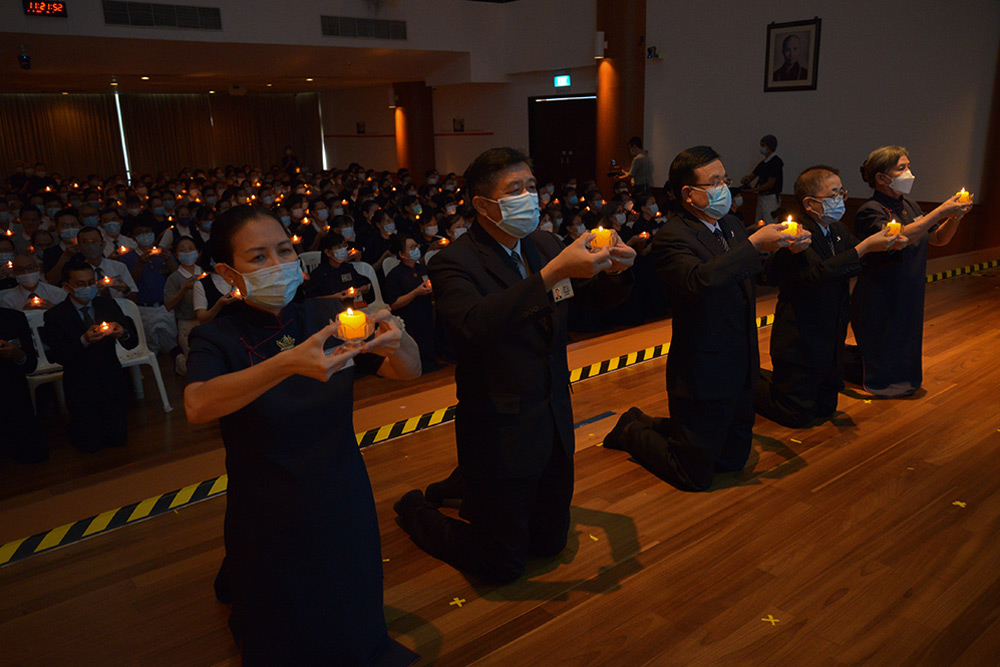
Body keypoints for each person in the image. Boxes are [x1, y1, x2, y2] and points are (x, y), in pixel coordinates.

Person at [184, 205, 420, 665]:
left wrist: (398, 340)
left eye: (284, 250)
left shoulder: (327, 316)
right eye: (258, 257)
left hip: (339, 477)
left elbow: (406, 372)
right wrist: (287, 363)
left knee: (348, 581)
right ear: (228, 273)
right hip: (268, 493)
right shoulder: (217, 337)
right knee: (284, 606)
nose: (277, 264)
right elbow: (197, 405)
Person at [393, 147, 635, 583]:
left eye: (531, 187)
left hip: (552, 414)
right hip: (499, 423)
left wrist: (615, 270)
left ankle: (467, 488)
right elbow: (474, 326)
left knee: (549, 543)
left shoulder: (543, 244)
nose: (529, 198)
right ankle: (416, 510)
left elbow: (589, 300)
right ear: (483, 204)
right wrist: (550, 275)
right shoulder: (453, 262)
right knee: (501, 566)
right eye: (515, 190)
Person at [604, 145, 804, 491]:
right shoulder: (673, 236)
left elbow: (759, 273)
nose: (724, 188)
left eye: (725, 179)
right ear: (688, 194)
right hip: (703, 365)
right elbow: (699, 281)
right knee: (693, 475)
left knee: (731, 460)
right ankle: (631, 430)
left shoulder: (731, 225)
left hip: (741, 359)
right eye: (714, 182)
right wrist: (754, 245)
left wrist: (790, 251)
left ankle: (665, 427)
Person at [755, 166, 906, 428]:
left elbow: (859, 261)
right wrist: (865, 246)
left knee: (825, 409)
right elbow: (818, 273)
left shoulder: (837, 229)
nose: (840, 200)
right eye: (833, 194)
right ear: (810, 203)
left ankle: (773, 382)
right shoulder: (798, 234)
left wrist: (889, 247)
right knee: (797, 417)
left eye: (841, 193)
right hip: (799, 341)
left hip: (830, 339)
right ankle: (747, 382)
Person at [844, 146, 972, 397]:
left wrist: (955, 216)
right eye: (901, 168)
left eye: (908, 167)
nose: (909, 173)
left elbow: (938, 238)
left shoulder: (910, 205)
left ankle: (903, 381)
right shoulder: (871, 210)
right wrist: (941, 211)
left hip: (909, 288)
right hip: (881, 292)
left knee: (906, 341)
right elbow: (898, 238)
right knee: (882, 345)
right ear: (881, 178)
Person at [42, 257, 138, 452]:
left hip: (111, 380)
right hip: (81, 386)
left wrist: (123, 333)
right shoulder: (55, 315)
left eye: (91, 282)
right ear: (67, 287)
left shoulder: (107, 305)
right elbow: (59, 355)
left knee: (118, 440)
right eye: (81, 284)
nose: (87, 288)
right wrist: (84, 340)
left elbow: (132, 342)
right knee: (89, 446)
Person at [0, 306, 47, 463]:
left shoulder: (13, 318)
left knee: (35, 455)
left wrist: (18, 355)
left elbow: (30, 364)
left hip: (10, 391)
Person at [383, 234, 436, 371]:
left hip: (426, 310)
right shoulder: (395, 275)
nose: (416, 249)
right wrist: (415, 293)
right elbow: (394, 304)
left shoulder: (422, 269)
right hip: (408, 314)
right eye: (411, 248)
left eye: (416, 246)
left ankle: (432, 361)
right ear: (401, 254)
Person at [163, 238, 203, 376]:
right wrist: (184, 289)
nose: (187, 252)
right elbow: (168, 305)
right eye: (182, 250)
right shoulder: (174, 278)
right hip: (187, 321)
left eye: (191, 249)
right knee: (192, 360)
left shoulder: (203, 272)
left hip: (205, 319)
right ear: (176, 254)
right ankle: (179, 361)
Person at [306, 231, 373, 303]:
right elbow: (311, 299)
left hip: (349, 306)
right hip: (328, 307)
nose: (343, 250)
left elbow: (365, 286)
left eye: (344, 246)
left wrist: (358, 290)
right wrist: (334, 297)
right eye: (338, 247)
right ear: (328, 252)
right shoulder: (318, 273)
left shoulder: (348, 268)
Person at [0, 253, 67, 310]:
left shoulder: (57, 293)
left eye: (30, 268)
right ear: (14, 274)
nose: (26, 273)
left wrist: (54, 310)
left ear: (38, 268)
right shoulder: (8, 301)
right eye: (20, 270)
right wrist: (22, 314)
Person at [741, 134, 784, 223]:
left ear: (769, 147)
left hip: (771, 198)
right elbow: (753, 175)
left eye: (763, 145)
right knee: (759, 223)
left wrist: (754, 190)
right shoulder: (763, 163)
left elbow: (770, 183)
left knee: (770, 223)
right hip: (761, 197)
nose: (761, 148)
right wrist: (747, 179)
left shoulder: (776, 162)